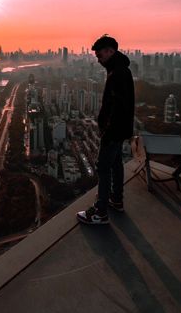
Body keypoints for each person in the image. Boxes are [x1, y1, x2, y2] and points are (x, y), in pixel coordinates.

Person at [77, 35, 134, 225]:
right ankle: (116, 200)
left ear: (110, 51)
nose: (98, 58)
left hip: (114, 131)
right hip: (119, 130)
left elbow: (118, 106)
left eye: (100, 54)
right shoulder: (119, 70)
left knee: (103, 167)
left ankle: (100, 212)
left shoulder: (117, 73)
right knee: (116, 164)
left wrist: (108, 131)